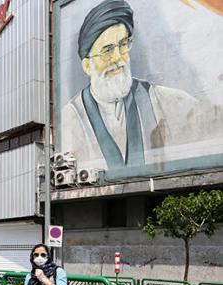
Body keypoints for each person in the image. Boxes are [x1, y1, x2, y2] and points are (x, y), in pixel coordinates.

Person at [61, 0, 202, 170]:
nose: (118, 58)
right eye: (107, 50)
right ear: (87, 66)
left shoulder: (167, 101)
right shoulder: (70, 119)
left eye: (123, 45)